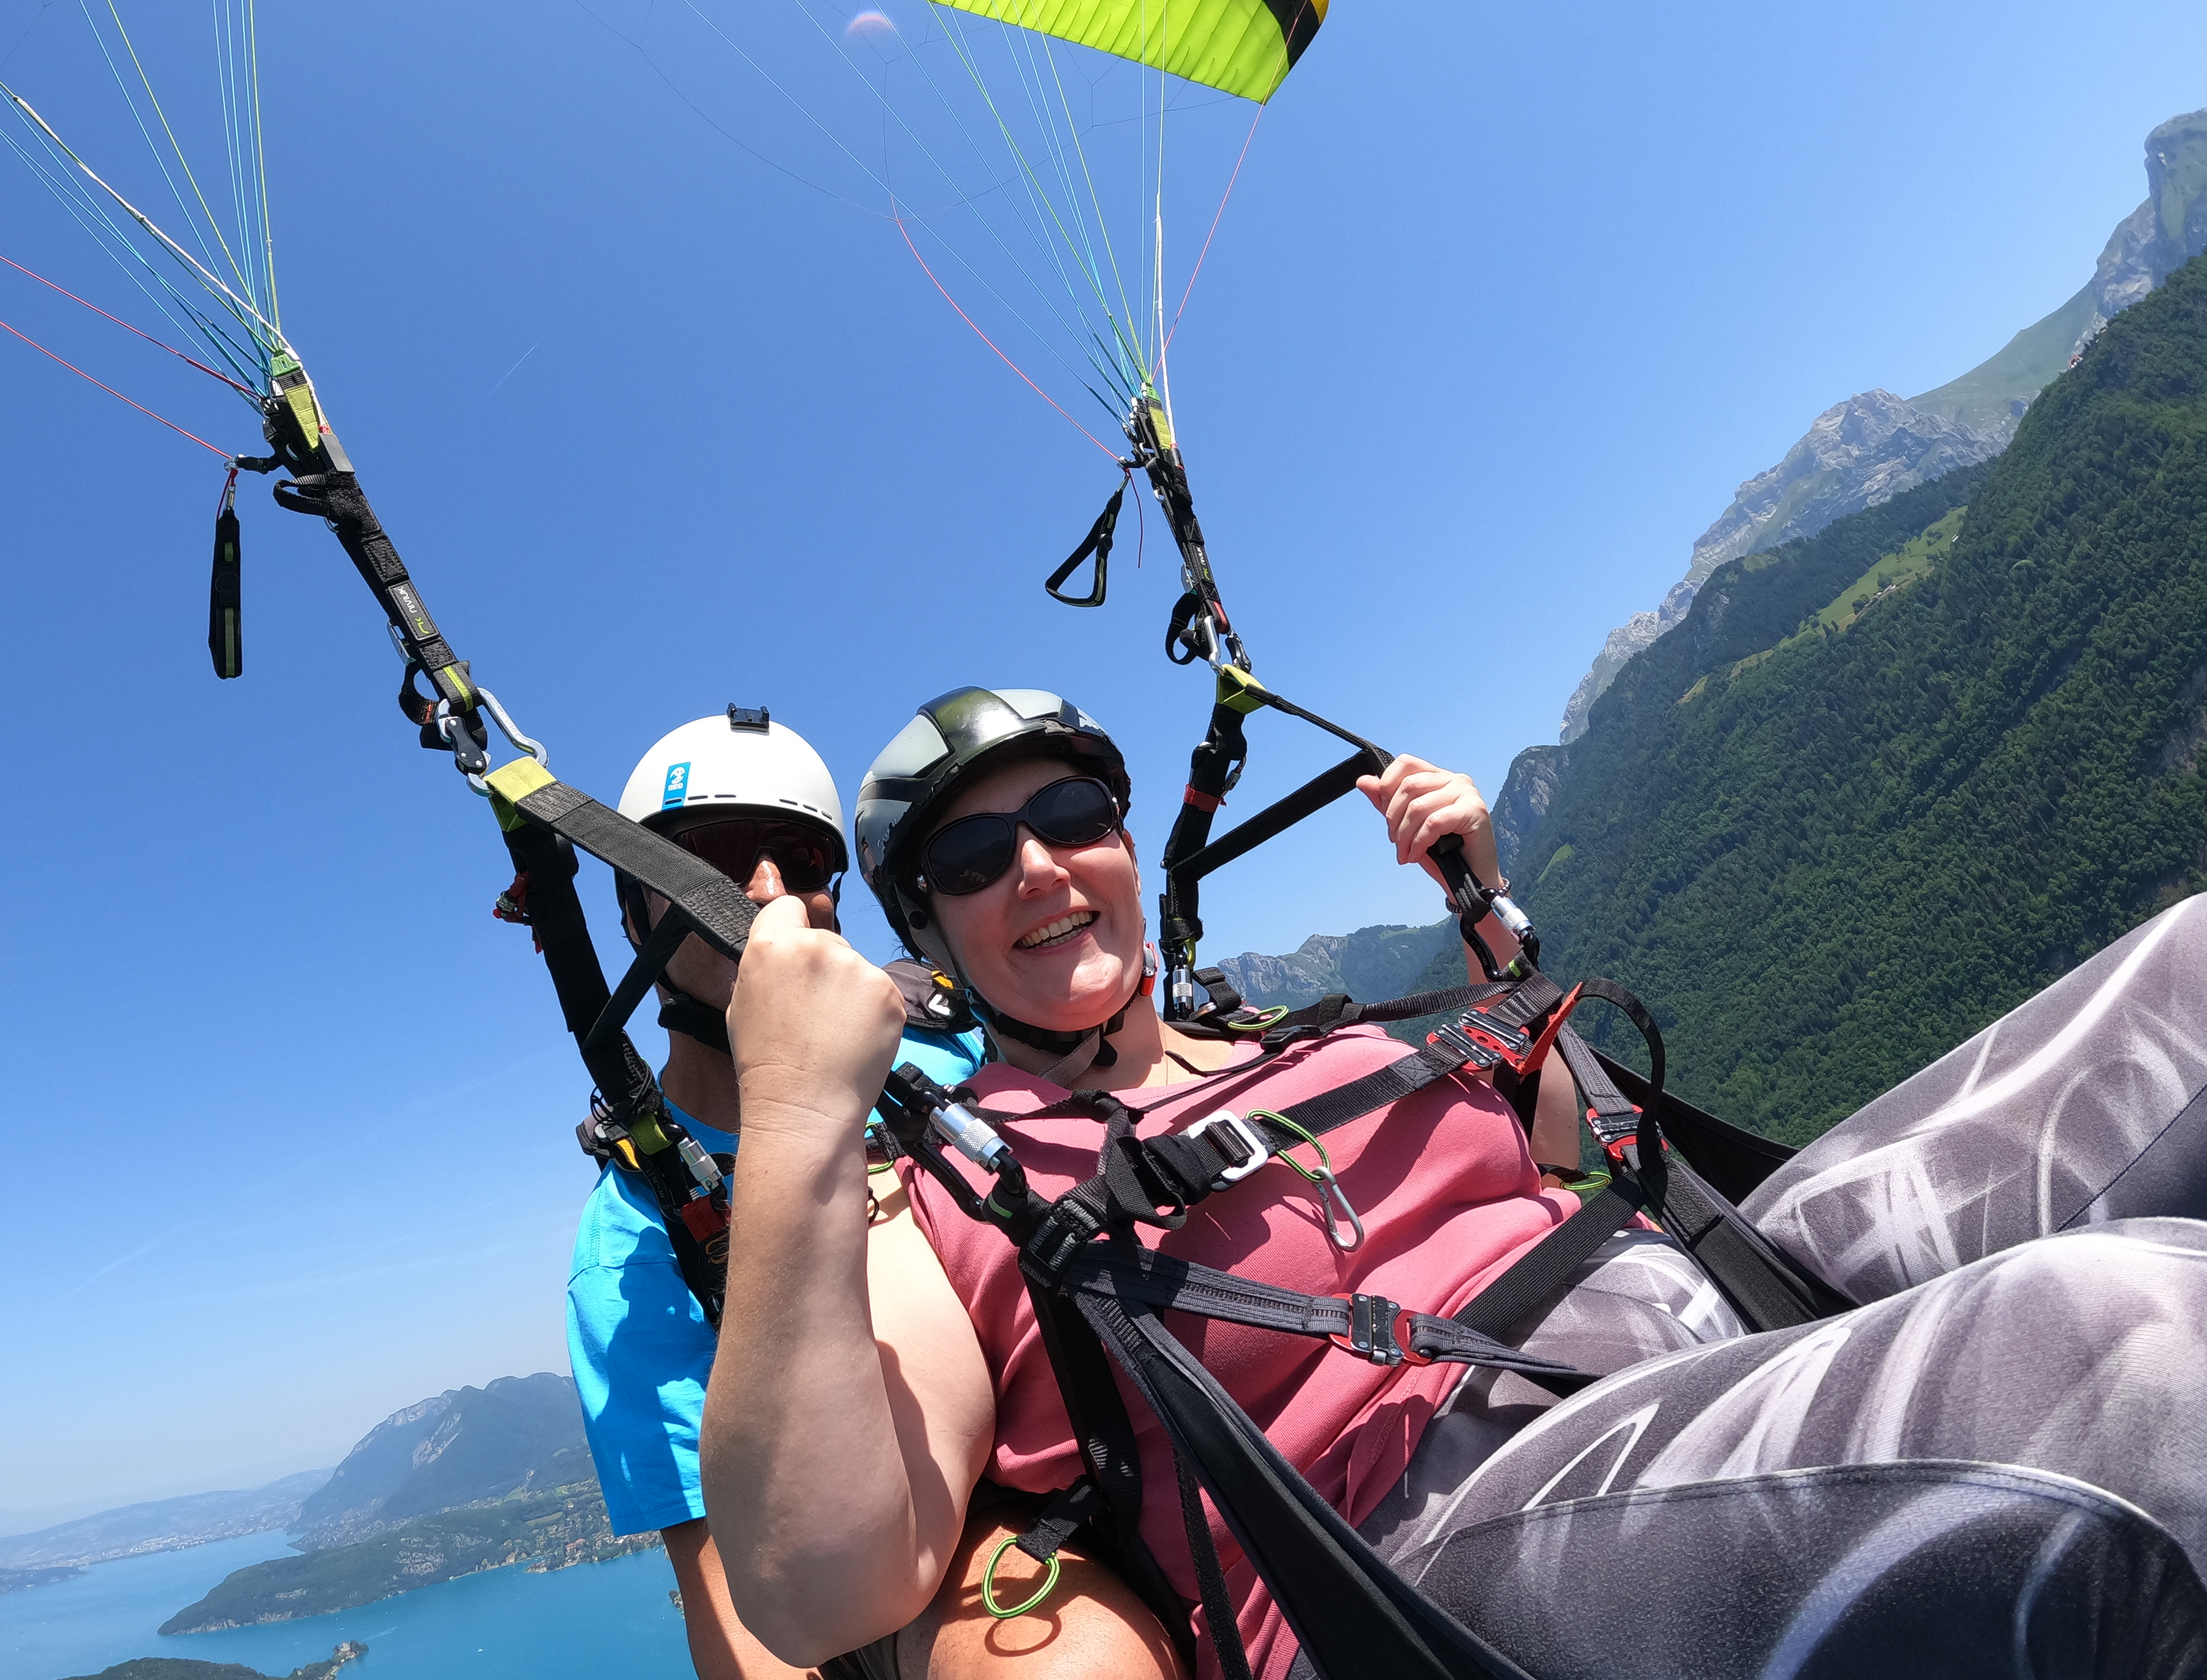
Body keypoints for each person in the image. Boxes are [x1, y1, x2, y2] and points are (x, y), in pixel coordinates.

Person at [702, 684, 2207, 1680]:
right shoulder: (944, 1190)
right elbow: (818, 1585)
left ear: (1124, 848)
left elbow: (1572, 1149)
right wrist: (795, 1118)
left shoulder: (1284, 1031)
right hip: (1440, 1534)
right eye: (975, 858)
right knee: (2123, 1344)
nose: (1039, 866)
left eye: (1074, 821)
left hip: (1698, 1291)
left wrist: (1486, 911)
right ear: (929, 929)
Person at [564, 707, 1177, 1680]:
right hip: (932, 1548)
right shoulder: (636, 1244)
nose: (766, 892)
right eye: (714, 860)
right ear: (637, 911)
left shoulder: (946, 1045)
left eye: (802, 860)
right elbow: (738, 1601)